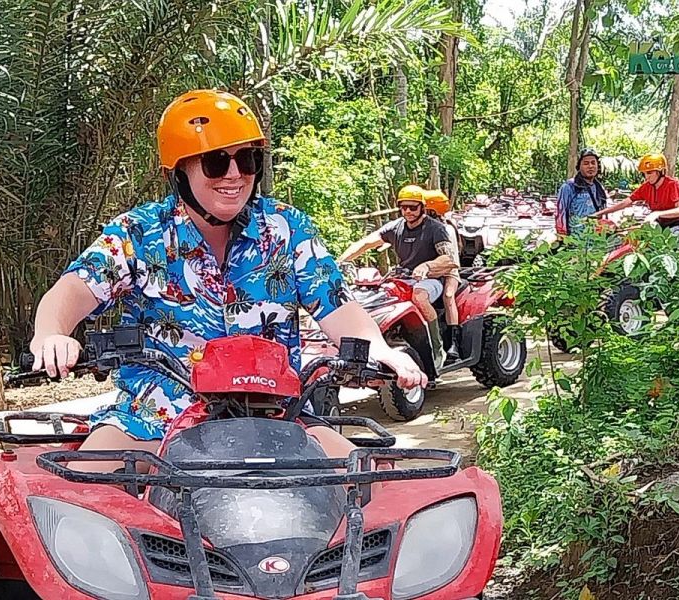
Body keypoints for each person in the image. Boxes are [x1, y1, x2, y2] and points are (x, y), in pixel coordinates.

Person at [29, 90, 425, 472]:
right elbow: (71, 291)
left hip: (276, 418)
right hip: (154, 419)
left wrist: (381, 350)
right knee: (79, 495)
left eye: (247, 160)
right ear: (178, 172)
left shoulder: (287, 230)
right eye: (216, 162)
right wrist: (52, 334)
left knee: (367, 488)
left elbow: (337, 306)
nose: (234, 175)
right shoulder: (138, 234)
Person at [338, 184, 458, 368]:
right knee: (371, 296)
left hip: (431, 279)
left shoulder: (436, 228)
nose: (408, 211)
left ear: (422, 207)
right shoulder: (396, 227)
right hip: (402, 277)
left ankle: (437, 348)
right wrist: (338, 262)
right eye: (404, 207)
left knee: (419, 296)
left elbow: (448, 259)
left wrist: (427, 266)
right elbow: (366, 243)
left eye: (413, 207)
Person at [594, 153, 679, 235]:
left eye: (649, 173)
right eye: (644, 174)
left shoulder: (672, 184)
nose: (647, 177)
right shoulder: (646, 187)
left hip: (677, 224)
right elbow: (626, 202)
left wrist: (657, 214)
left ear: (660, 172)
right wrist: (600, 213)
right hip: (659, 225)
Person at [423, 188, 463, 361]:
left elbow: (450, 260)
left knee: (448, 296)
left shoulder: (445, 229)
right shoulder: (425, 228)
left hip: (449, 271)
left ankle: (453, 342)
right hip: (431, 273)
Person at [555, 148, 609, 236]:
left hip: (596, 240)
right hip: (575, 241)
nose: (590, 166)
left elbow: (603, 213)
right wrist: (562, 237)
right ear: (579, 166)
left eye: (593, 163)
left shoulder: (599, 188)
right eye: (586, 163)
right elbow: (561, 213)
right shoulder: (569, 187)